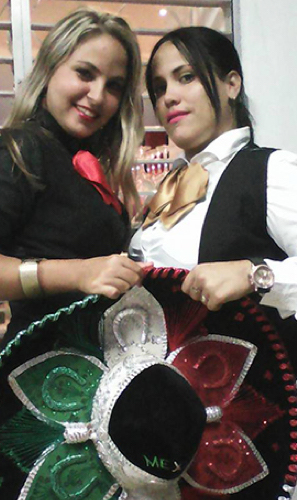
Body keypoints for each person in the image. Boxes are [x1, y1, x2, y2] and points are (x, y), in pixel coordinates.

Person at [131, 26, 297, 376]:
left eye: (186, 77)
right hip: (150, 404)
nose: (169, 96)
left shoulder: (274, 169)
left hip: (237, 414)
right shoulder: (168, 189)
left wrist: (254, 274)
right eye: (159, 87)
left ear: (231, 84)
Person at [0, 9, 147, 338]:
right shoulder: (21, 150)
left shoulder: (81, 162)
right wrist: (79, 273)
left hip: (85, 368)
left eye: (113, 86)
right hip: (42, 375)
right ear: (50, 69)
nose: (97, 96)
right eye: (84, 73)